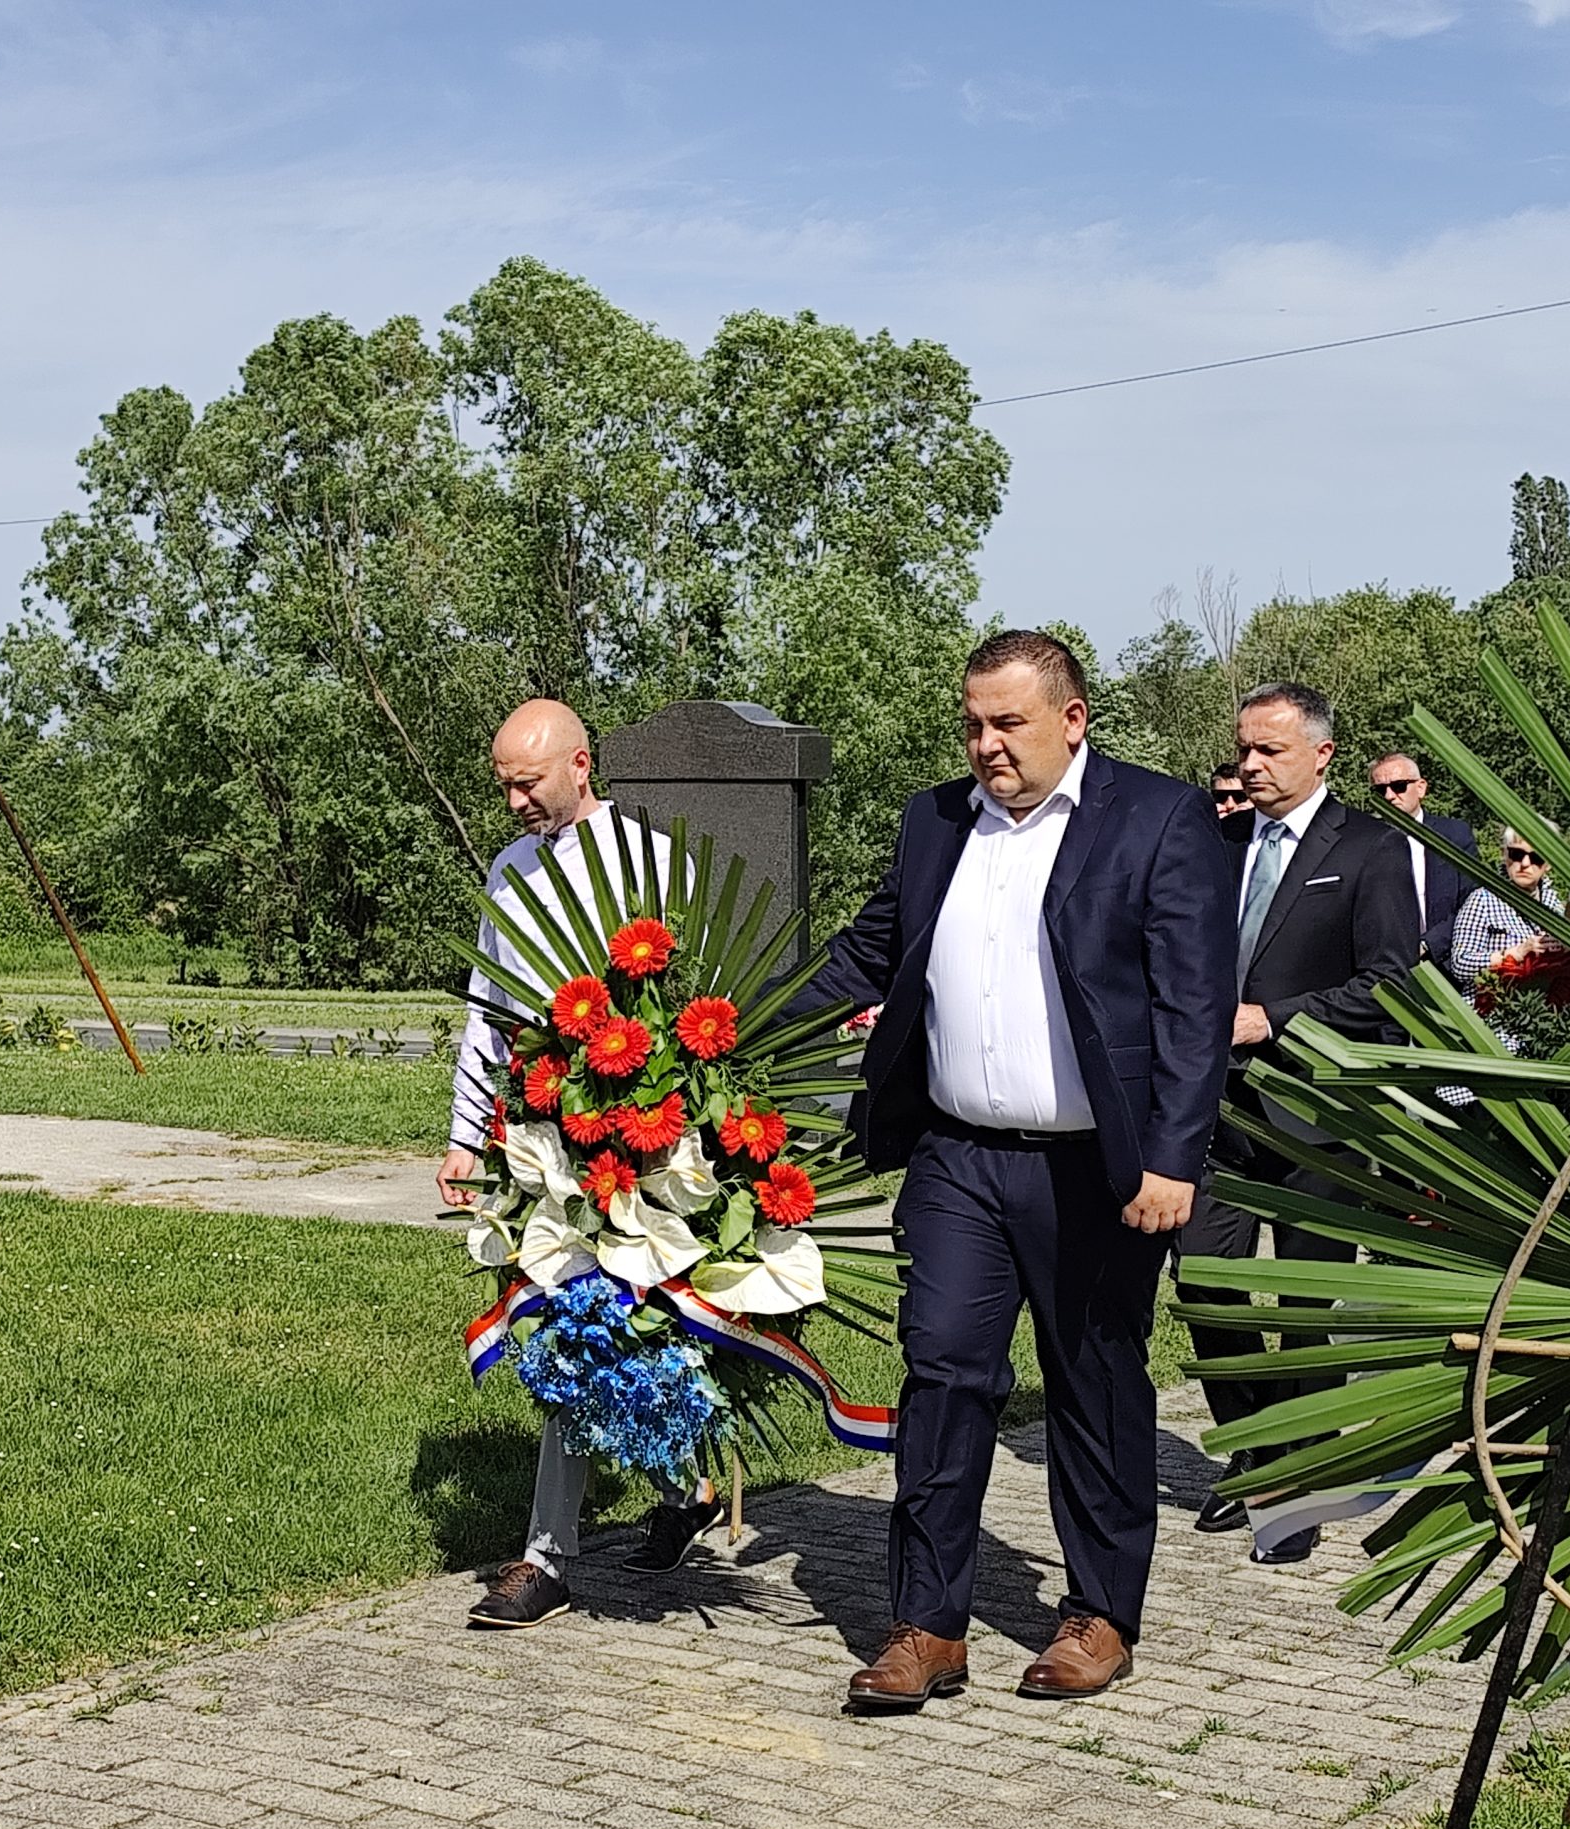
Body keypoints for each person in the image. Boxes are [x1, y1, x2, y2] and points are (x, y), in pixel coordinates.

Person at [801, 631, 1234, 1706]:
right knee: (942, 1373)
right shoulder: (934, 821)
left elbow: (1194, 1007)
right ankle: (927, 1626)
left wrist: (1171, 1157)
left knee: (1092, 1380)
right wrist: (730, 1021)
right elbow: (867, 953)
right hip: (957, 1158)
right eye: (973, 725)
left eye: (1009, 723)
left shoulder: (1157, 818)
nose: (987, 745)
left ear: (1071, 720)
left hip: (1097, 1168)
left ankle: (1099, 1612)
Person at [440, 699, 714, 1629]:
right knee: (581, 1321)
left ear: (581, 764)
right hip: (536, 1128)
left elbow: (690, 1003)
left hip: (635, 1129)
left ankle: (548, 1558)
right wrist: (464, 1133)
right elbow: (488, 1012)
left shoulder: (651, 863)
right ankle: (680, 1488)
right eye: (504, 787)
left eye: (528, 783)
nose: (515, 802)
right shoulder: (508, 870)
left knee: (606, 1323)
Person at [1176, 686, 1419, 1563]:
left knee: (1308, 1307)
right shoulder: (1215, 843)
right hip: (1213, 1112)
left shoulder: (1371, 848)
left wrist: (1272, 1019)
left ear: (1321, 754)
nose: (1250, 765)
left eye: (1269, 750)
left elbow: (1391, 982)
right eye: (1244, 748)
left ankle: (1300, 1481)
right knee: (1203, 1283)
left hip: (1317, 1115)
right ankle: (1257, 1451)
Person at [1366, 752, 1477, 970]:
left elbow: (1472, 903)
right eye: (1380, 790)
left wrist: (1429, 944)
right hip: (1389, 968)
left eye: (1398, 786)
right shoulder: (1365, 843)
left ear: (1420, 788)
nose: (1389, 796)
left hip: (1449, 962)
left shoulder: (1454, 836)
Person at [1450, 828, 1567, 984]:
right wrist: (1516, 954)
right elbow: (1460, 965)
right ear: (1504, 854)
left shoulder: (1555, 906)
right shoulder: (1483, 900)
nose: (1525, 864)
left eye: (1536, 857)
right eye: (1517, 854)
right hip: (1496, 996)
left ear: (1549, 864)